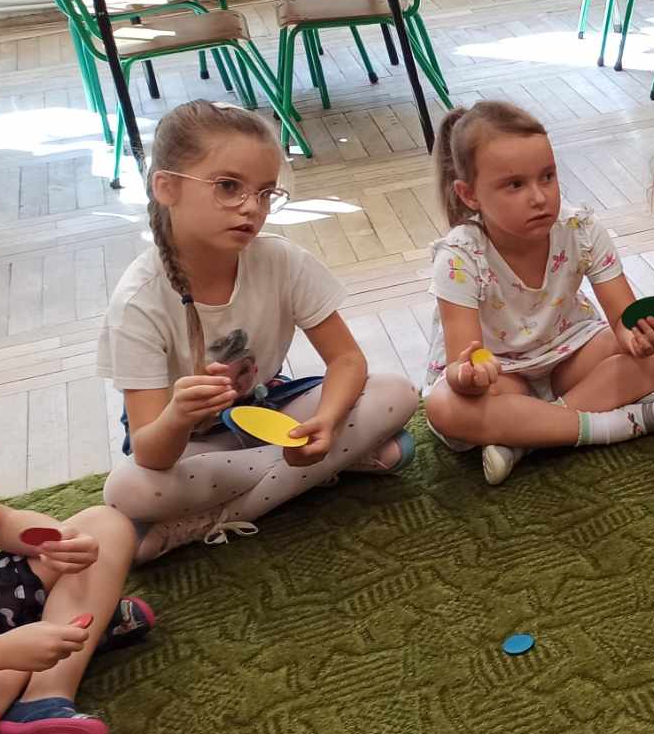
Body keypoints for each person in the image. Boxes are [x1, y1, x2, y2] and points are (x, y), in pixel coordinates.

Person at [98, 101, 417, 559]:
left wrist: (326, 423)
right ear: (166, 187)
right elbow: (150, 452)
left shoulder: (282, 260)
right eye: (228, 187)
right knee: (128, 490)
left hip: (267, 412)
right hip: (188, 446)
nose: (252, 207)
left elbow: (347, 360)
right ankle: (332, 464)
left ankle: (206, 520)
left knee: (396, 392)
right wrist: (180, 415)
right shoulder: (138, 301)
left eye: (266, 193)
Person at [422, 101, 654, 486]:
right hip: (504, 375)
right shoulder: (458, 257)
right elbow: (461, 364)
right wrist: (470, 376)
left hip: (569, 353)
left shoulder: (580, 228)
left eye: (548, 177)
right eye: (515, 185)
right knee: (443, 406)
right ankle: (617, 424)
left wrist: (638, 339)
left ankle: (529, 437)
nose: (539, 197)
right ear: (469, 195)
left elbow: (623, 321)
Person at [0, 500, 152, 734]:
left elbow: (1, 522)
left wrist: (60, 542)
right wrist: (5, 652)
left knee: (106, 524)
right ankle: (76, 627)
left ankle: (44, 693)